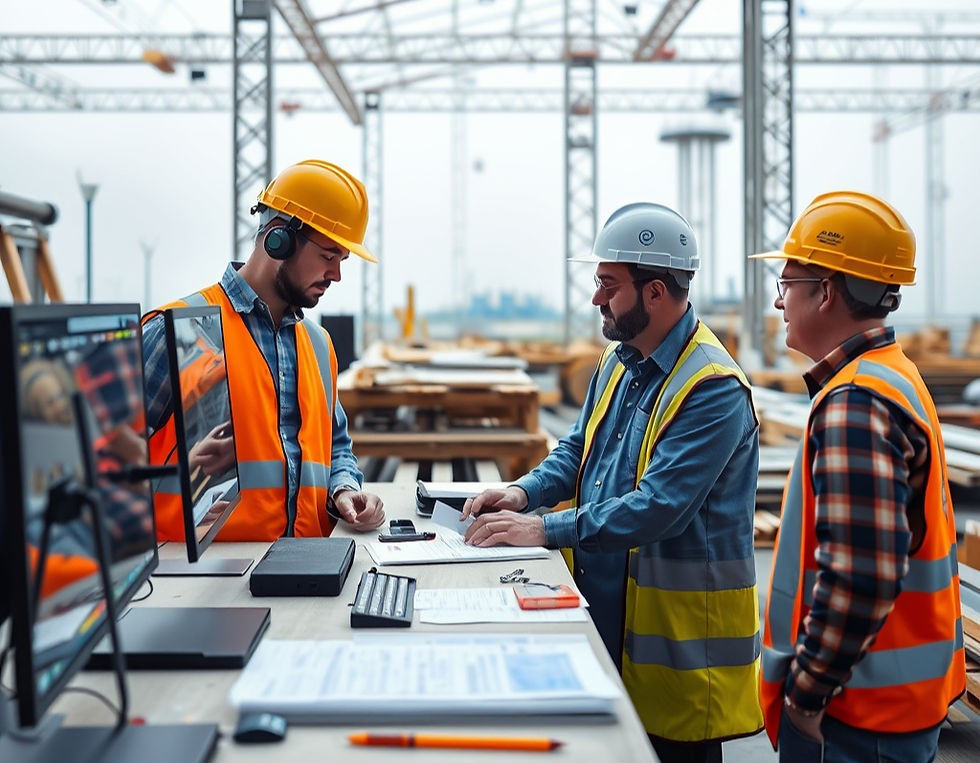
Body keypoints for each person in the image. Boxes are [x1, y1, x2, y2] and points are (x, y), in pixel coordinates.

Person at [462, 202, 763, 763]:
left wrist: (541, 530)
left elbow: (658, 509)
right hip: (603, 628)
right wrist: (523, 492)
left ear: (655, 292)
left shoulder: (712, 388)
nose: (596, 298)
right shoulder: (618, 361)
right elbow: (578, 450)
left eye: (608, 284)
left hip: (678, 657)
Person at [751, 191, 966, 762]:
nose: (779, 303)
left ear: (825, 292)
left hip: (855, 718)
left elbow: (862, 574)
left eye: (787, 283)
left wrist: (805, 695)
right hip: (889, 707)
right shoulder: (893, 375)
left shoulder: (856, 400)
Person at [142, 159, 384, 541]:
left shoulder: (318, 347)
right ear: (278, 239)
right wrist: (190, 478)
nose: (336, 275)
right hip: (198, 581)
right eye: (328, 255)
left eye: (342, 260)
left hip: (305, 573)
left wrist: (344, 489)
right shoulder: (179, 332)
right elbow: (96, 466)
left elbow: (335, 445)